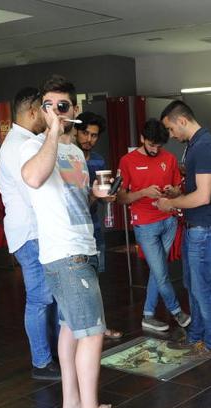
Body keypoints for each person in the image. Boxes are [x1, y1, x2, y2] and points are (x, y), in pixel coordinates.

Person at [20, 74, 133, 408]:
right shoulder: (35, 146)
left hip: (82, 247)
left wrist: (100, 195)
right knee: (92, 334)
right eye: (48, 106)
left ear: (75, 109)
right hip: (64, 254)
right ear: (40, 110)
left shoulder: (74, 153)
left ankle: (73, 406)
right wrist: (52, 132)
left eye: (63, 106)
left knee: (71, 329)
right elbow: (33, 179)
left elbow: (79, 203)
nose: (55, 112)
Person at [0, 87, 61, 381]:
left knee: (51, 298)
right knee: (39, 299)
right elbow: (34, 189)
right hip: (30, 233)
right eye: (44, 110)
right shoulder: (17, 147)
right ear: (33, 111)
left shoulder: (28, 141)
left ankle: (56, 357)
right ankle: (41, 362)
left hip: (38, 231)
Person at [157, 101, 211, 360]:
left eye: (171, 129)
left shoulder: (205, 147)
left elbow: (204, 196)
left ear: (182, 121)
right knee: (192, 286)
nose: (172, 136)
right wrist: (180, 192)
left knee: (203, 289)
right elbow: (198, 189)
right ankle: (196, 336)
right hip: (196, 227)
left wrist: (170, 203)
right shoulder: (196, 145)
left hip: (204, 230)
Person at [117, 119, 191, 333]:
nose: (155, 149)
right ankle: (177, 311)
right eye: (151, 145)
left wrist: (172, 191)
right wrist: (142, 193)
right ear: (142, 138)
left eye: (159, 146)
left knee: (158, 271)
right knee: (160, 272)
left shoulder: (169, 158)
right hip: (145, 225)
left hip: (168, 221)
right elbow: (121, 198)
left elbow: (179, 189)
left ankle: (148, 316)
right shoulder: (128, 161)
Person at [73, 111, 122, 340]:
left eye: (93, 135)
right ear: (75, 130)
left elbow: (98, 196)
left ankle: (99, 327)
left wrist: (107, 196)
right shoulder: (69, 159)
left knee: (96, 280)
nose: (89, 139)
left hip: (94, 226)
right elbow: (74, 201)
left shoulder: (98, 160)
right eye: (85, 133)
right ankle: (79, 330)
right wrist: (95, 196)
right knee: (75, 283)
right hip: (73, 229)